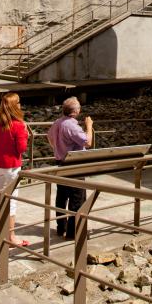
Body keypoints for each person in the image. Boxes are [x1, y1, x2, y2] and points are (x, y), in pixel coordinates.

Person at [46, 97, 93, 239]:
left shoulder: (57, 122)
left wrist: (58, 148)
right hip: (74, 164)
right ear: (76, 111)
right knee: (77, 198)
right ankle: (73, 232)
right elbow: (88, 142)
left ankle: (62, 227)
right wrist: (89, 126)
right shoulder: (71, 125)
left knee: (62, 197)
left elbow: (49, 137)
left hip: (61, 162)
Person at [0, 92, 29, 246]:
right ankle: (11, 236)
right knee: (11, 201)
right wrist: (24, 132)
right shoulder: (18, 125)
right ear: (14, 105)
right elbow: (21, 148)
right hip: (12, 167)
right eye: (18, 103)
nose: (20, 105)